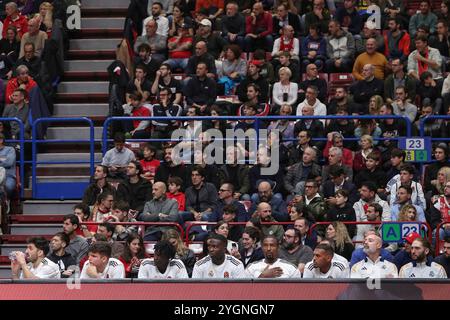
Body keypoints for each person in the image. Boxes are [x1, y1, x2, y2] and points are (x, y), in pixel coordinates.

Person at [0, 133, 16, 198]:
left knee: (8, 187)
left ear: (1, 140)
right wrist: (2, 160)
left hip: (8, 177)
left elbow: (9, 163)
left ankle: (4, 204)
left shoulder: (10, 149)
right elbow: (5, 162)